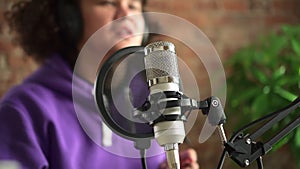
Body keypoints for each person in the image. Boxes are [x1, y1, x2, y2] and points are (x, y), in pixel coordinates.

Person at [0, 0, 199, 169]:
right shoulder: (22, 110)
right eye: (107, 2)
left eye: (132, 5)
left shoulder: (149, 103)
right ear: (69, 18)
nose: (125, 15)